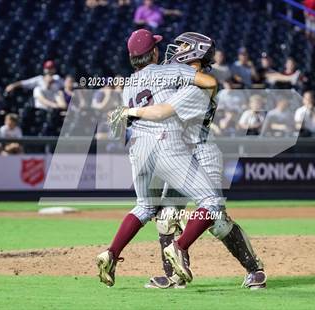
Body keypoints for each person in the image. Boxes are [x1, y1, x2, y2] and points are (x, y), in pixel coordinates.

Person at [113, 32, 266, 289]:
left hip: (200, 151)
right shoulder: (182, 79)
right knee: (166, 216)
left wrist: (131, 111)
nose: (176, 48)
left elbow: (162, 110)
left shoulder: (197, 87)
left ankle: (254, 269)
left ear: (194, 52)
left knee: (217, 220)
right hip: (174, 152)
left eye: (183, 45)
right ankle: (175, 276)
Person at [96, 29, 221, 287]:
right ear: (153, 52)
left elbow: (124, 122)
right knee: (212, 202)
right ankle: (180, 246)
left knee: (144, 206)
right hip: (167, 144)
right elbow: (209, 83)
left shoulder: (128, 84)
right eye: (156, 47)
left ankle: (111, 253)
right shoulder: (169, 71)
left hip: (138, 149)